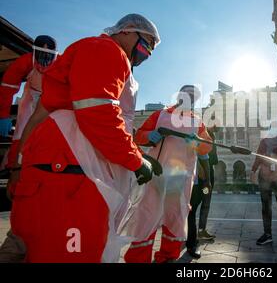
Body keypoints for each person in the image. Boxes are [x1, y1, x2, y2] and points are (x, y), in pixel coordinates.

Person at [8, 14, 162, 263]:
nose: (143, 57)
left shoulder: (90, 52)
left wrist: (18, 166)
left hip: (54, 168)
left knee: (32, 247)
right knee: (75, 252)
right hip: (72, 171)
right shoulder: (106, 50)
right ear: (126, 32)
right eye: (144, 47)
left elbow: (37, 118)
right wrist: (134, 160)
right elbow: (98, 113)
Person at [121, 85, 212, 263]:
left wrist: (196, 144)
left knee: (175, 219)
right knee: (147, 218)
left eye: (193, 96)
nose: (189, 98)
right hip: (156, 175)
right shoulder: (160, 115)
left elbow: (206, 147)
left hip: (181, 180)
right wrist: (150, 136)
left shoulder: (197, 122)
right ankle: (138, 259)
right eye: (186, 93)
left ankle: (167, 257)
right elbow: (138, 136)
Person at [0, 35, 58, 170]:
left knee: (50, 132)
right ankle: (11, 166)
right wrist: (3, 115)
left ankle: (41, 166)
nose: (44, 61)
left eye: (48, 56)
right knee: (21, 131)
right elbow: (7, 88)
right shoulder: (23, 62)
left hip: (50, 96)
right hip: (30, 94)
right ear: (34, 52)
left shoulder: (61, 63)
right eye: (41, 54)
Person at [197, 121, 219, 240]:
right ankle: (188, 232)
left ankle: (201, 230)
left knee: (206, 201)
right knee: (195, 202)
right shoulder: (201, 132)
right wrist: (205, 177)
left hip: (209, 169)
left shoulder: (210, 133)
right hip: (202, 171)